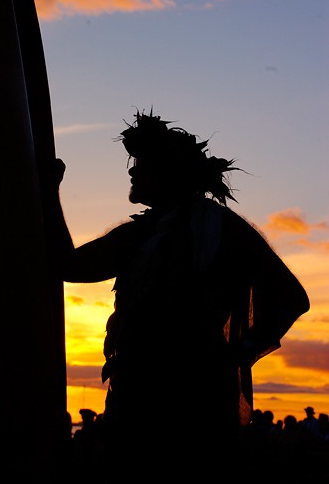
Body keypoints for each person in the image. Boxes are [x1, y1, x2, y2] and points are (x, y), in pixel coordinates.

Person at [50, 109, 309, 481]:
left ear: (168, 173)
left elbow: (292, 298)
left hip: (191, 404)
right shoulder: (144, 233)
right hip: (144, 398)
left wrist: (232, 356)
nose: (132, 172)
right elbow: (70, 267)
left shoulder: (218, 229)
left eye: (142, 164)